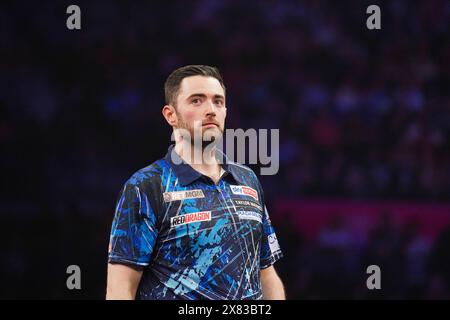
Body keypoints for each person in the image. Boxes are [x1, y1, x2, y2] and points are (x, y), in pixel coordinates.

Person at [106, 65, 284, 300]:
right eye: (197, 101)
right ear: (170, 115)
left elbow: (266, 273)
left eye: (218, 101)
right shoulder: (146, 186)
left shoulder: (247, 179)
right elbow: (120, 290)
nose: (211, 110)